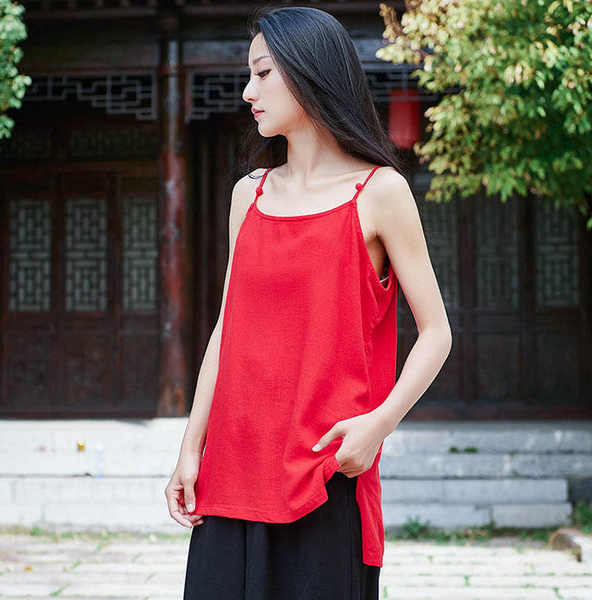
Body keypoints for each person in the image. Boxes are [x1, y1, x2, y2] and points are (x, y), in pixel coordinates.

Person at [165, 5, 452, 600]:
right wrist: (191, 448)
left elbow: (437, 333)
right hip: (233, 469)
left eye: (262, 73)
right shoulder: (249, 194)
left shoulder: (380, 192)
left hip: (323, 471)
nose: (248, 92)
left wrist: (378, 425)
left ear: (309, 71)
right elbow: (227, 328)